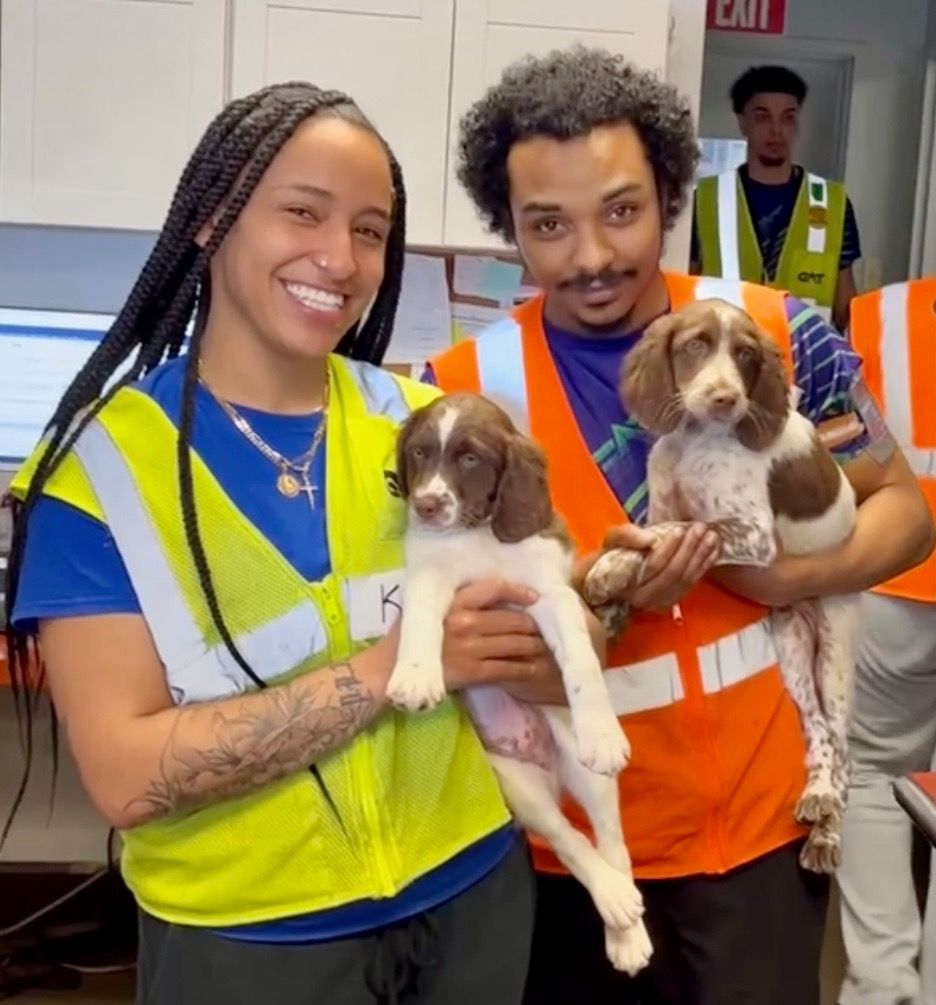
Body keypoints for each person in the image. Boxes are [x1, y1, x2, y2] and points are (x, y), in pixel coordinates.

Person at [0, 81, 586, 1005]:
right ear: (210, 220)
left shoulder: (418, 424)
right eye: (302, 213)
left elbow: (539, 656)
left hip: (472, 897)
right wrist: (394, 665)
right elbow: (122, 776)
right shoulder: (100, 475)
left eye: (368, 228)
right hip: (247, 944)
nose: (340, 257)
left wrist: (583, 608)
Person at [425, 46, 934, 1005]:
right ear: (510, 230)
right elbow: (463, 636)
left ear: (669, 194)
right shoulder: (463, 393)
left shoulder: (782, 335)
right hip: (563, 848)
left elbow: (905, 513)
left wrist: (782, 579)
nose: (591, 257)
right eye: (548, 225)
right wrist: (593, 605)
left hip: (755, 839)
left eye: (621, 210)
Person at [837, 277, 936, 1005]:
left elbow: (841, 451)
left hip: (898, 580)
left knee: (869, 769)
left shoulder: (882, 314)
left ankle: (883, 981)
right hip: (897, 583)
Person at [691, 65, 862, 332]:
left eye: (788, 118)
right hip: (728, 365)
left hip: (806, 366)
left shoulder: (832, 202)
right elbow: (686, 295)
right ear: (742, 122)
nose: (776, 130)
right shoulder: (706, 200)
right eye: (762, 117)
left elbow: (846, 307)